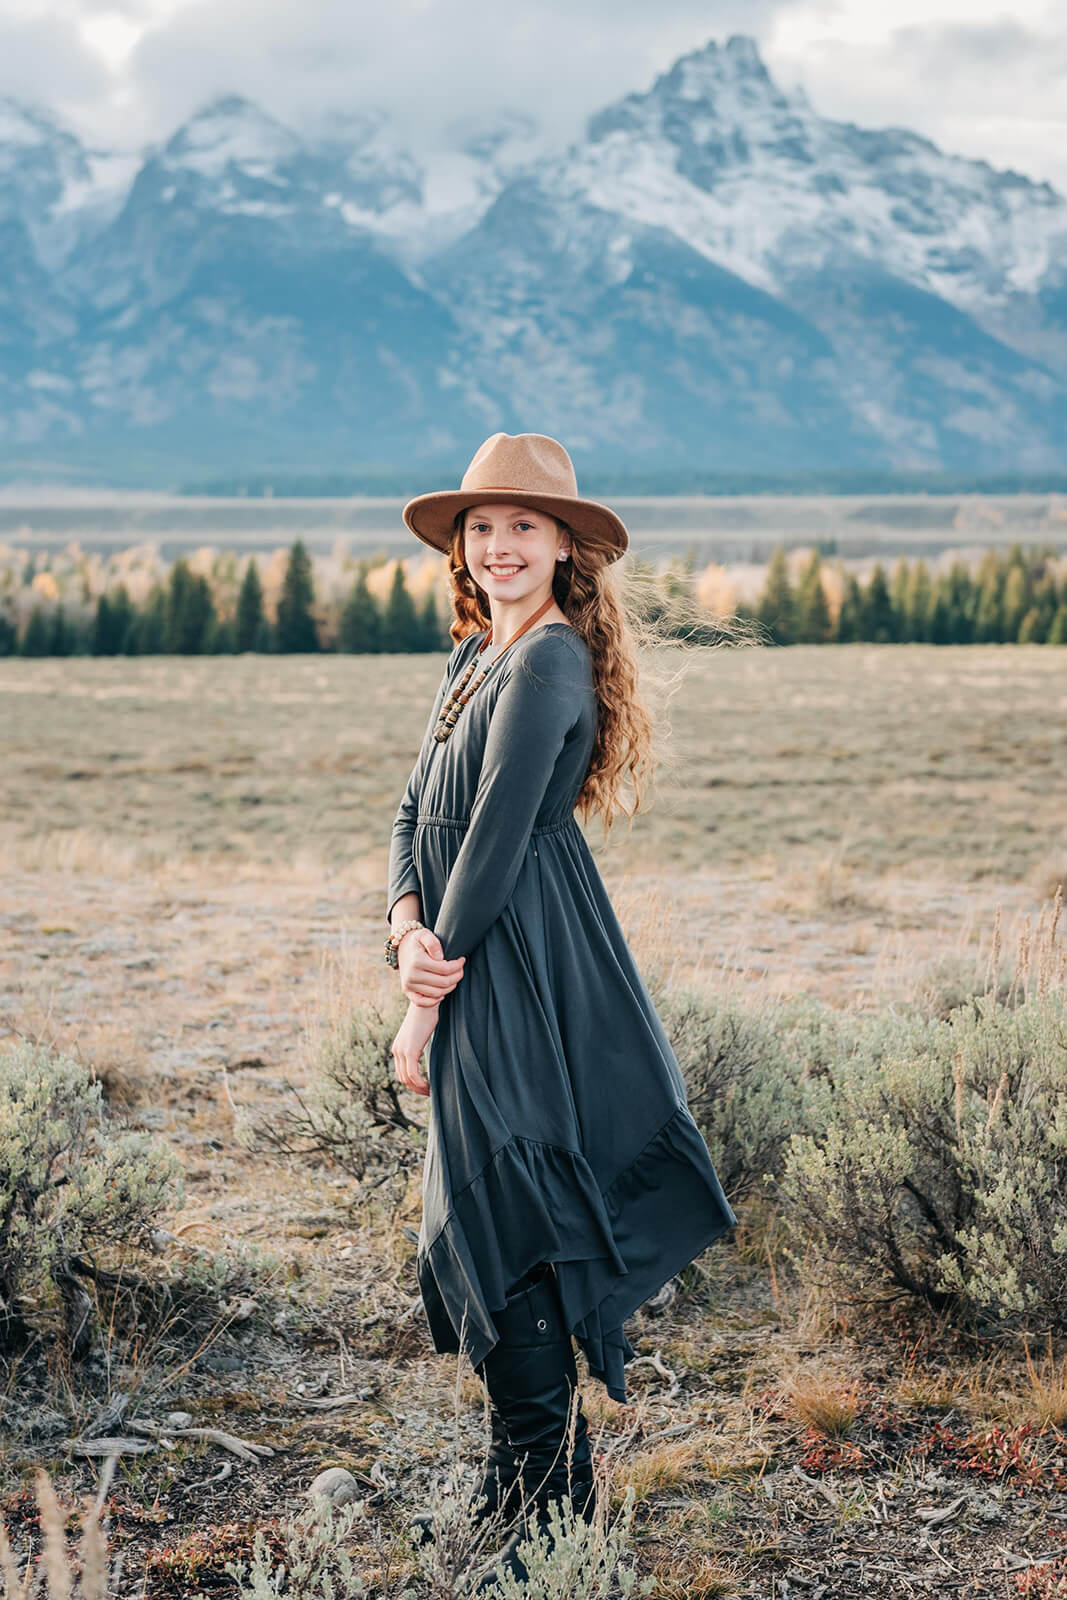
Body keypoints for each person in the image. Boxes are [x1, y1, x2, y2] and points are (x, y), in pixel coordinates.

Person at [384, 432, 737, 1582]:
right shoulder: (475, 655)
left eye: (522, 527)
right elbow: (408, 817)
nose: (497, 546)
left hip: (520, 957)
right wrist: (400, 928)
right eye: (481, 528)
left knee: (512, 1209)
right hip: (462, 948)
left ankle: (544, 1510)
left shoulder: (545, 665)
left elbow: (488, 843)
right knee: (493, 1216)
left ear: (567, 546)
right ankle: (526, 1486)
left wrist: (430, 995)